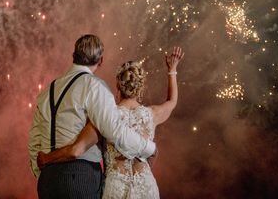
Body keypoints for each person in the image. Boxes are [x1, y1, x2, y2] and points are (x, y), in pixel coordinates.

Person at [37, 46, 184, 199]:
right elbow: (172, 102)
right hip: (146, 188)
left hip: (116, 190)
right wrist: (172, 69)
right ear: (141, 89)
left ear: (118, 86)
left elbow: (76, 149)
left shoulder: (106, 117)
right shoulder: (152, 114)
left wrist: (47, 158)